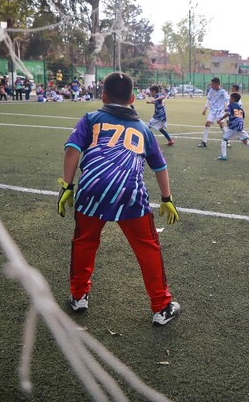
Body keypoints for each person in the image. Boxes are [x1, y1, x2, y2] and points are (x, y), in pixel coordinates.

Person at [57, 71, 181, 326]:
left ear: (103, 96)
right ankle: (161, 305)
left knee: (84, 242)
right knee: (147, 246)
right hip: (130, 193)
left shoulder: (91, 118)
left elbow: (72, 150)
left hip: (91, 189)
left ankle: (79, 295)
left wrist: (66, 186)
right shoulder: (143, 129)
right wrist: (166, 198)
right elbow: (160, 166)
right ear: (133, 97)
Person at [215, 92, 249, 161]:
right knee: (245, 140)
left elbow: (228, 113)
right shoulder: (240, 108)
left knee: (224, 139)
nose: (229, 99)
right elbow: (242, 116)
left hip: (233, 126)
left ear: (233, 99)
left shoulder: (230, 105)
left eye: (230, 98)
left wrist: (220, 119)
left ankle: (224, 156)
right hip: (240, 126)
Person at [198, 77, 230, 147]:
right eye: (211, 84)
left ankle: (227, 140)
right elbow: (208, 100)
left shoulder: (223, 92)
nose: (211, 86)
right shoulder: (211, 91)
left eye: (213, 84)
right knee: (207, 124)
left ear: (218, 84)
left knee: (221, 125)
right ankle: (204, 141)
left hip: (220, 111)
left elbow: (227, 100)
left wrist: (228, 107)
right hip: (212, 111)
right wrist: (205, 108)